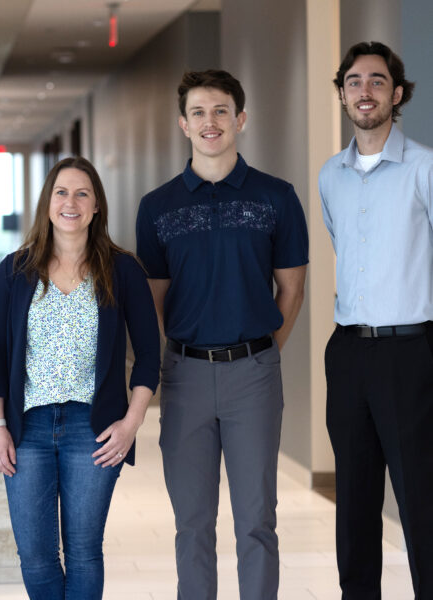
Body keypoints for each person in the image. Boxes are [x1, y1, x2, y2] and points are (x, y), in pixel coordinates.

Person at [135, 70, 308, 599]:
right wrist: (186, 355)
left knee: (257, 520)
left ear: (241, 119)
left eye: (221, 111)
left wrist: (258, 354)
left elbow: (292, 290)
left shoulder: (277, 197)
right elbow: (155, 300)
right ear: (183, 124)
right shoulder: (157, 206)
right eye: (199, 113)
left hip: (254, 374)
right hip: (184, 377)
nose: (210, 122)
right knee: (192, 523)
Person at [0, 156, 160, 599]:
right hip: (27, 429)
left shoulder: (123, 270)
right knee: (36, 555)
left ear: (96, 205)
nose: (71, 202)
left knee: (83, 552)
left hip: (92, 429)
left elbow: (150, 355)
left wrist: (131, 424)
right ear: (47, 203)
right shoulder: (16, 270)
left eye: (82, 193)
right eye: (61, 192)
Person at [320, 41, 433, 599]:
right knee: (355, 503)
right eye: (355, 81)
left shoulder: (426, 169)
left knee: (421, 501)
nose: (365, 91)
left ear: (398, 93)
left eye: (378, 81)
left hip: (410, 352)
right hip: (348, 354)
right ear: (342, 93)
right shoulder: (330, 176)